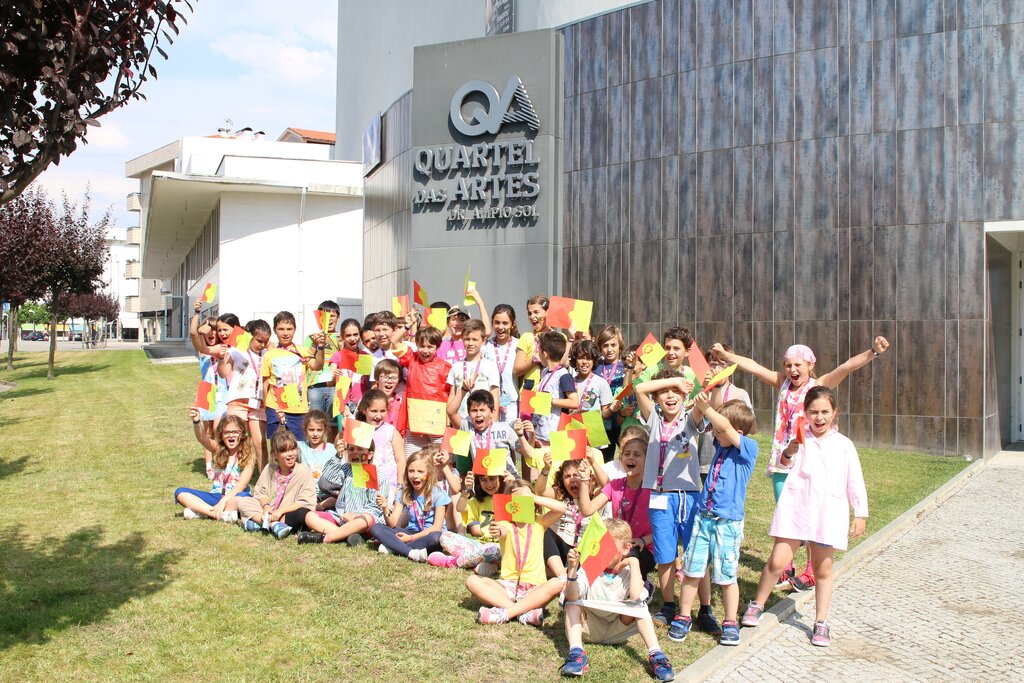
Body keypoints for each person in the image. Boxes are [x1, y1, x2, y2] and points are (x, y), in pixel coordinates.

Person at [710, 336, 888, 590]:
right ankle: (786, 566)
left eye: (797, 365)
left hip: (809, 461)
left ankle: (811, 571)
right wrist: (727, 357)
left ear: (810, 366)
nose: (792, 370)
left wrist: (873, 351)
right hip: (782, 460)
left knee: (812, 514)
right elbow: (754, 366)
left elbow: (846, 368)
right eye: (788, 365)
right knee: (787, 513)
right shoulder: (781, 383)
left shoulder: (818, 385)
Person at [741, 386, 868, 648]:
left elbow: (855, 480)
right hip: (796, 509)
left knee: (823, 569)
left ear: (834, 413)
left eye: (825, 412)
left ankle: (821, 621)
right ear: (805, 414)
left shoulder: (844, 445)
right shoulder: (799, 439)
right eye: (813, 412)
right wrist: (790, 449)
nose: (819, 417)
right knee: (777, 562)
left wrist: (860, 513)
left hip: (826, 513)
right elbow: (782, 464)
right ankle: (758, 603)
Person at [634, 368, 719, 637]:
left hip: (689, 495)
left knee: (697, 552)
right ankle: (669, 605)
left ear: (684, 396)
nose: (670, 396)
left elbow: (702, 407)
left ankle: (705, 609)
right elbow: (639, 389)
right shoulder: (653, 418)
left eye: (676, 392)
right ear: (656, 398)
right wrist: (675, 381)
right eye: (664, 392)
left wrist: (701, 389)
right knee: (665, 554)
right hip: (660, 496)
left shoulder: (689, 419)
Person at [674, 393, 758, 646]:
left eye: (720, 430)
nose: (715, 434)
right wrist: (704, 401)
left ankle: (730, 621)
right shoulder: (722, 445)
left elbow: (723, 426)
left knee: (726, 576)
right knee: (692, 570)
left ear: (737, 432)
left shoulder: (748, 449)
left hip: (727, 523)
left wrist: (707, 408)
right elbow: (718, 424)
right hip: (704, 519)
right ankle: (684, 616)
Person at [558, 518, 675, 681]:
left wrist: (634, 563)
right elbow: (572, 597)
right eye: (600, 547)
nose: (603, 552)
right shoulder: (590, 567)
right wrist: (572, 570)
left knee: (640, 606)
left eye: (609, 548)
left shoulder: (629, 572)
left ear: (626, 548)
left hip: (618, 629)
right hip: (588, 628)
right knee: (572, 604)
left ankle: (656, 654)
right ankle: (576, 653)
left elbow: (636, 596)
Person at [466, 479, 567, 626]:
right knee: (472, 581)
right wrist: (498, 531)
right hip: (507, 585)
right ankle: (522, 612)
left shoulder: (540, 522)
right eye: (515, 499)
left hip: (535, 587)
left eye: (524, 499)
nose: (520, 502)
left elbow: (562, 508)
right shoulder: (504, 524)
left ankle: (506, 613)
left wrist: (532, 496)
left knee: (557, 583)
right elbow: (502, 531)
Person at [577, 427, 655, 576]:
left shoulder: (654, 489)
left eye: (637, 454)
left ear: (647, 459)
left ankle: (641, 584)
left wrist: (644, 541)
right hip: (616, 545)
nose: (631, 458)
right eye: (627, 454)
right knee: (586, 554)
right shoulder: (615, 485)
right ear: (621, 458)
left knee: (625, 559)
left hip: (643, 547)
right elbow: (587, 510)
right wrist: (584, 480)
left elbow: (667, 526)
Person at [297, 440, 394, 545]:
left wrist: (355, 515)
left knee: (365, 519)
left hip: (364, 521)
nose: (355, 452)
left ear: (370, 455)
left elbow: (375, 507)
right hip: (341, 516)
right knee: (310, 516)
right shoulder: (346, 469)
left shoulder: (379, 477)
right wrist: (338, 456)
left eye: (360, 449)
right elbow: (329, 479)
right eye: (351, 449)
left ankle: (326, 538)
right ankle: (346, 535)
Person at [174, 409, 255, 522]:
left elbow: (242, 484)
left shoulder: (248, 456)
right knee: (180, 492)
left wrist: (223, 501)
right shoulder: (218, 449)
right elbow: (202, 438)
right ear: (221, 435)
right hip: (216, 496)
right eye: (227, 432)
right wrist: (197, 422)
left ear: (241, 434)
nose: (231, 435)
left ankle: (202, 512)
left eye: (235, 432)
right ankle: (216, 514)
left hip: (235, 496)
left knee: (243, 501)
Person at [370, 448, 450, 561]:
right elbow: (392, 523)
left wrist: (410, 538)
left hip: (428, 535)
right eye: (411, 471)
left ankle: (394, 546)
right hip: (409, 532)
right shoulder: (404, 491)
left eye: (420, 472)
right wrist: (385, 508)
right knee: (376, 527)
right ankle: (411, 552)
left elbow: (437, 527)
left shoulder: (439, 493)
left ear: (429, 473)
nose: (415, 475)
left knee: (437, 537)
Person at [236, 430, 317, 540]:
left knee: (303, 514)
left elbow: (304, 502)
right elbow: (261, 493)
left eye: (292, 449)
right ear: (275, 455)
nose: (290, 454)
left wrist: (281, 511)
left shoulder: (303, 470)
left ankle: (260, 523)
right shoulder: (270, 468)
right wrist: (266, 506)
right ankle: (272, 525)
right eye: (284, 451)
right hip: (269, 510)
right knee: (244, 501)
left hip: (288, 513)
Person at [261, 311, 326, 440]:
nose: (285, 333)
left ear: (295, 330)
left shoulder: (302, 351)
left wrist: (321, 348)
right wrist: (266, 408)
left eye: (289, 329)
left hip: (298, 410)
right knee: (275, 445)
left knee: (299, 446)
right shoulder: (269, 355)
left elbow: (317, 365)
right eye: (281, 329)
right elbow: (265, 384)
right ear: (275, 330)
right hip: (275, 408)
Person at [391, 320, 452, 455]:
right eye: (422, 346)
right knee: (412, 458)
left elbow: (451, 396)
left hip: (437, 422)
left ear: (437, 347)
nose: (425, 350)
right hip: (415, 421)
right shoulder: (412, 359)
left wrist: (449, 422)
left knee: (440, 457)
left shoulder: (446, 367)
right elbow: (394, 341)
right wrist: (408, 325)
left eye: (430, 347)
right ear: (417, 345)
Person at [218, 318, 272, 470]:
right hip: (238, 401)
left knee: (260, 442)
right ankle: (232, 475)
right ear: (249, 336)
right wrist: (221, 358)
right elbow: (223, 373)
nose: (262, 345)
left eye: (265, 341)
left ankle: (263, 477)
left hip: (259, 403)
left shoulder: (268, 355)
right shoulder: (236, 351)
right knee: (236, 440)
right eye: (259, 340)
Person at [427, 470, 503, 572]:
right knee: (445, 537)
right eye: (483, 480)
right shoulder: (477, 501)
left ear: (500, 477)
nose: (489, 484)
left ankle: (452, 562)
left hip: (501, 548)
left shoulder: (510, 499)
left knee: (492, 549)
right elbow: (460, 508)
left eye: (492, 479)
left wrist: (512, 483)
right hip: (480, 546)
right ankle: (487, 564)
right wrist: (467, 489)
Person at [446, 319, 500, 425]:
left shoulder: (490, 366)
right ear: (462, 339)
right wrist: (448, 423)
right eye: (467, 339)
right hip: (460, 421)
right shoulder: (456, 367)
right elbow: (452, 396)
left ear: (483, 341)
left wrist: (493, 423)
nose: (470, 343)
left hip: (483, 422)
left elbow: (495, 397)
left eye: (475, 339)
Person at [531, 331, 580, 444]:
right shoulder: (544, 372)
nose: (537, 354)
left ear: (545, 354)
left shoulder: (563, 375)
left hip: (555, 433)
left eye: (538, 351)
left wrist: (549, 400)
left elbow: (574, 402)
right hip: (541, 431)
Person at [355, 389, 405, 490]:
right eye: (374, 411)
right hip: (364, 483)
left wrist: (400, 485)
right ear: (364, 410)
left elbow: (401, 460)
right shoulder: (359, 429)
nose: (378, 415)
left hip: (388, 485)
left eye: (382, 411)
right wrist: (343, 430)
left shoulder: (391, 431)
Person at [594, 325, 627, 461]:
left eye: (613, 345)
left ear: (620, 346)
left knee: (627, 457)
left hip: (621, 420)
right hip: (602, 423)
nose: (609, 349)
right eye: (605, 345)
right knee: (603, 460)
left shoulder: (626, 366)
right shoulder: (595, 367)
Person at [328, 318, 371, 421]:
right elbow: (329, 383)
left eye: (355, 335)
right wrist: (334, 375)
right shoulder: (337, 356)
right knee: (343, 431)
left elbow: (369, 383)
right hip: (342, 405)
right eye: (348, 335)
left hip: (361, 403)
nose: (352, 338)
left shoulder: (365, 356)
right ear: (342, 337)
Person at [304, 300, 341, 418]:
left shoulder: (342, 337)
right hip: (315, 386)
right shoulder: (311, 337)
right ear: (319, 318)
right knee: (315, 421)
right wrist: (314, 344)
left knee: (333, 422)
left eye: (332, 316)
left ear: (338, 317)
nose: (329, 319)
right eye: (325, 316)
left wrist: (342, 344)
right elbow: (305, 359)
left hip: (335, 385)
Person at [484, 303, 520, 422]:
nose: (500, 327)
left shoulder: (519, 345)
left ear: (512, 324)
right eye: (497, 322)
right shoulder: (486, 346)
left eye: (505, 323)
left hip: (512, 405)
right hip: (489, 405)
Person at [437, 287, 491, 364]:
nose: (458, 323)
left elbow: (487, 332)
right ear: (447, 322)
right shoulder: (440, 344)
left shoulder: (472, 342)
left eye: (462, 320)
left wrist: (480, 303)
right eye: (454, 319)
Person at [513, 294, 556, 388]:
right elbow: (516, 370)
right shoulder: (526, 337)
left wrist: (570, 340)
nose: (532, 316)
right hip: (530, 391)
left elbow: (564, 363)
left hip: (552, 391)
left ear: (547, 312)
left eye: (536, 312)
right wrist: (534, 360)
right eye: (529, 313)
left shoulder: (559, 338)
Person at [569, 339, 613, 420]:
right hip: (572, 425)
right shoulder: (569, 382)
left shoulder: (601, 383)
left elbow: (605, 414)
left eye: (588, 358)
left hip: (593, 426)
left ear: (594, 361)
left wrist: (611, 409)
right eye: (580, 358)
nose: (584, 362)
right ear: (575, 360)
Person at [297, 409, 336, 481]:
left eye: (319, 430)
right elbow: (281, 443)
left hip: (325, 487)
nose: (315, 434)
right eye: (311, 430)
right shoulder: (300, 447)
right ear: (305, 430)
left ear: (325, 430)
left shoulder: (332, 450)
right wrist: (282, 424)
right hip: (306, 487)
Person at [372, 358, 405, 427]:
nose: (389, 381)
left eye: (394, 378)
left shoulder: (402, 402)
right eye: (385, 377)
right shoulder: (368, 400)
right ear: (377, 379)